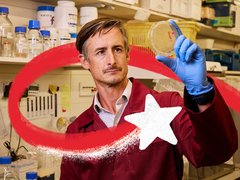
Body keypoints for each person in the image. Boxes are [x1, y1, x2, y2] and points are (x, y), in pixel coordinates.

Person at [60, 17, 238, 180]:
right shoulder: (76, 131)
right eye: (100, 52)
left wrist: (201, 92)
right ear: (84, 61)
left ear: (128, 55)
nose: (111, 60)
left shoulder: (168, 107)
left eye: (117, 49)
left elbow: (216, 153)